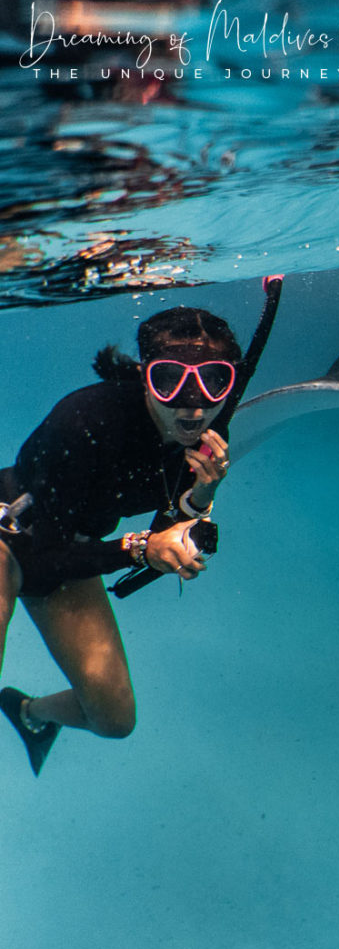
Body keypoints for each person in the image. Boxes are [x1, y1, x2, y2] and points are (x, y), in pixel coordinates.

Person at [0, 306, 242, 775]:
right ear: (147, 378)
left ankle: (27, 715)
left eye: (214, 381)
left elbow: (166, 524)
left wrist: (201, 495)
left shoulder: (208, 433)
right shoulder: (84, 421)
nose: (193, 403)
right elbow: (43, 558)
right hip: (10, 533)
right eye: (170, 380)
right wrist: (135, 549)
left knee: (113, 719)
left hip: (74, 551)